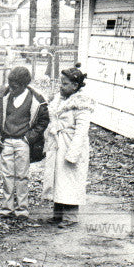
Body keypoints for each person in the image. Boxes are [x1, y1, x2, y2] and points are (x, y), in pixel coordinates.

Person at [0, 65, 49, 220]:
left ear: (24, 85)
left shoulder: (36, 100)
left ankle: (22, 209)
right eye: (9, 85)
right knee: (7, 175)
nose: (11, 89)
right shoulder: (4, 98)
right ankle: (6, 208)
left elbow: (43, 121)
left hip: (23, 143)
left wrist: (29, 138)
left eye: (15, 87)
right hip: (6, 142)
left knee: (22, 176)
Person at [43, 65, 95, 226]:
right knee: (58, 179)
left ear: (75, 86)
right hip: (58, 144)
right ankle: (58, 214)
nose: (61, 87)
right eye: (60, 83)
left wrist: (73, 153)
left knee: (70, 180)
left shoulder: (81, 105)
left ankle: (70, 217)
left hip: (71, 145)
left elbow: (81, 131)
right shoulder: (59, 100)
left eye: (65, 84)